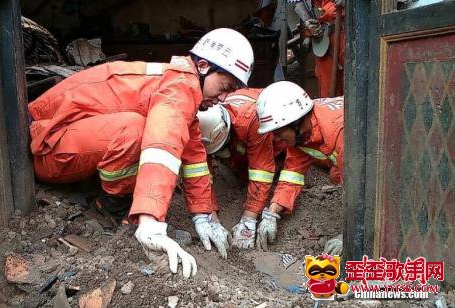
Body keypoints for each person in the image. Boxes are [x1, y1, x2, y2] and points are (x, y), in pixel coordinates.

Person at [28, 28, 254, 278]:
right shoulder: (179, 87)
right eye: (223, 87)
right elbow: (162, 146)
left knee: (135, 129)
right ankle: (112, 207)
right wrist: (151, 223)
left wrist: (205, 216)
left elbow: (195, 159)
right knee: (134, 130)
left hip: (62, 138)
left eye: (229, 92)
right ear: (202, 66)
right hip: (46, 147)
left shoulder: (179, 82)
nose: (221, 98)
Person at [255, 81, 344, 251]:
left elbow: (367, 189)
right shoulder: (304, 133)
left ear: (296, 123)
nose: (277, 140)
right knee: (337, 174)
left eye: (278, 134)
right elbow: (291, 174)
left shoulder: (339, 130)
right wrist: (271, 213)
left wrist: (353, 235)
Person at [196, 88, 286, 249]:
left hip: (273, 135)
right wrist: (211, 218)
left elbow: (261, 171)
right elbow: (201, 174)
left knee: (272, 158)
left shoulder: (253, 119)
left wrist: (249, 219)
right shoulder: (202, 125)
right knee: (238, 163)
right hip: (237, 137)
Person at [294, 0, 345, 97]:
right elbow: (305, 5)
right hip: (325, 37)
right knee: (327, 88)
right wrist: (308, 25)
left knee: (350, 84)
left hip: (350, 34)